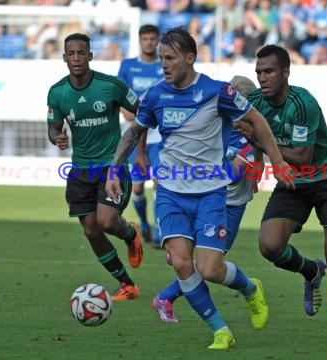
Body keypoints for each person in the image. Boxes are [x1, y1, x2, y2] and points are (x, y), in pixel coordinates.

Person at [106, 27, 294, 350]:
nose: (163, 64)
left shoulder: (216, 91)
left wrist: (277, 161)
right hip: (170, 192)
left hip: (210, 192)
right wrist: (114, 167)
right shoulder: (155, 95)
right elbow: (134, 130)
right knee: (181, 263)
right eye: (162, 57)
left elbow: (258, 122)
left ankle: (250, 288)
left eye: (170, 58)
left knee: (209, 268)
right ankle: (221, 329)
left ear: (190, 58)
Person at [247, 44, 327, 342]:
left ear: (286, 72)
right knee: (269, 246)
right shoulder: (254, 101)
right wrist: (254, 165)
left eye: (269, 71)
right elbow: (246, 130)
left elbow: (301, 154)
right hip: (294, 182)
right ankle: (311, 271)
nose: (263, 78)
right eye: (259, 72)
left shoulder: (302, 104)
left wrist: (261, 143)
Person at [150, 75, 264, 324]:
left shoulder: (247, 140)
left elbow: (234, 173)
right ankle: (166, 298)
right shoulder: (212, 126)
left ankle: (166, 296)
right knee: (193, 261)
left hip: (230, 205)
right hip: (205, 199)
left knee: (209, 266)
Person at [46, 33, 144, 302]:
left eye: (81, 53)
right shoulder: (57, 92)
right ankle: (127, 284)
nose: (76, 58)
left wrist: (141, 153)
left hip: (111, 166)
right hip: (80, 170)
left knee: (107, 221)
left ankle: (130, 233)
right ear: (64, 57)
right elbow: (52, 129)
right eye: (71, 54)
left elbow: (143, 114)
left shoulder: (110, 86)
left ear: (90, 56)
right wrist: (58, 138)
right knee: (91, 230)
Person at [117, 24, 163, 247]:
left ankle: (157, 232)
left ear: (158, 40)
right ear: (139, 40)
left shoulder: (165, 65)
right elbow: (119, 96)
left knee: (160, 183)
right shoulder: (128, 66)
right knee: (137, 187)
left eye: (153, 38)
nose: (149, 42)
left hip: (160, 137)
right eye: (145, 38)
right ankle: (144, 223)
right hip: (136, 136)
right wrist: (125, 110)